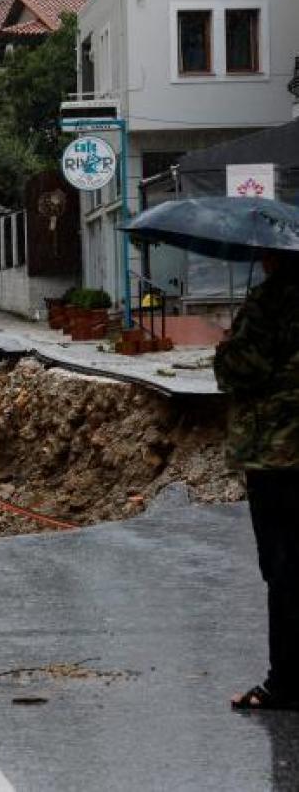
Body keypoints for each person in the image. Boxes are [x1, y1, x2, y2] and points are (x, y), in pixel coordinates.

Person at [214, 249, 299, 711]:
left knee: (284, 570)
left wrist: (227, 348)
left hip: (279, 454)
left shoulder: (271, 301)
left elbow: (241, 370)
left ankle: (284, 683)